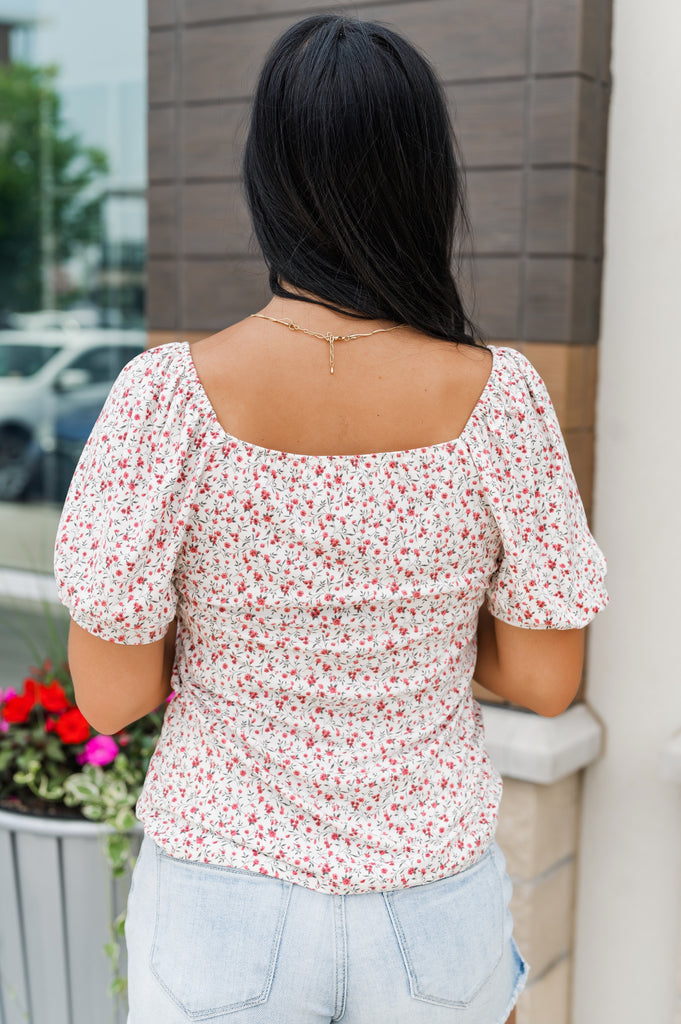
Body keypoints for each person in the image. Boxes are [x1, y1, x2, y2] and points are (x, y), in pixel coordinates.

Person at [54, 14, 608, 1024]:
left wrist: (232, 623)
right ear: (425, 182)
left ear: (267, 183)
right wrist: (420, 633)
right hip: (433, 897)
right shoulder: (503, 397)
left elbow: (109, 697)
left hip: (222, 894)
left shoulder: (166, 396)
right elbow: (544, 675)